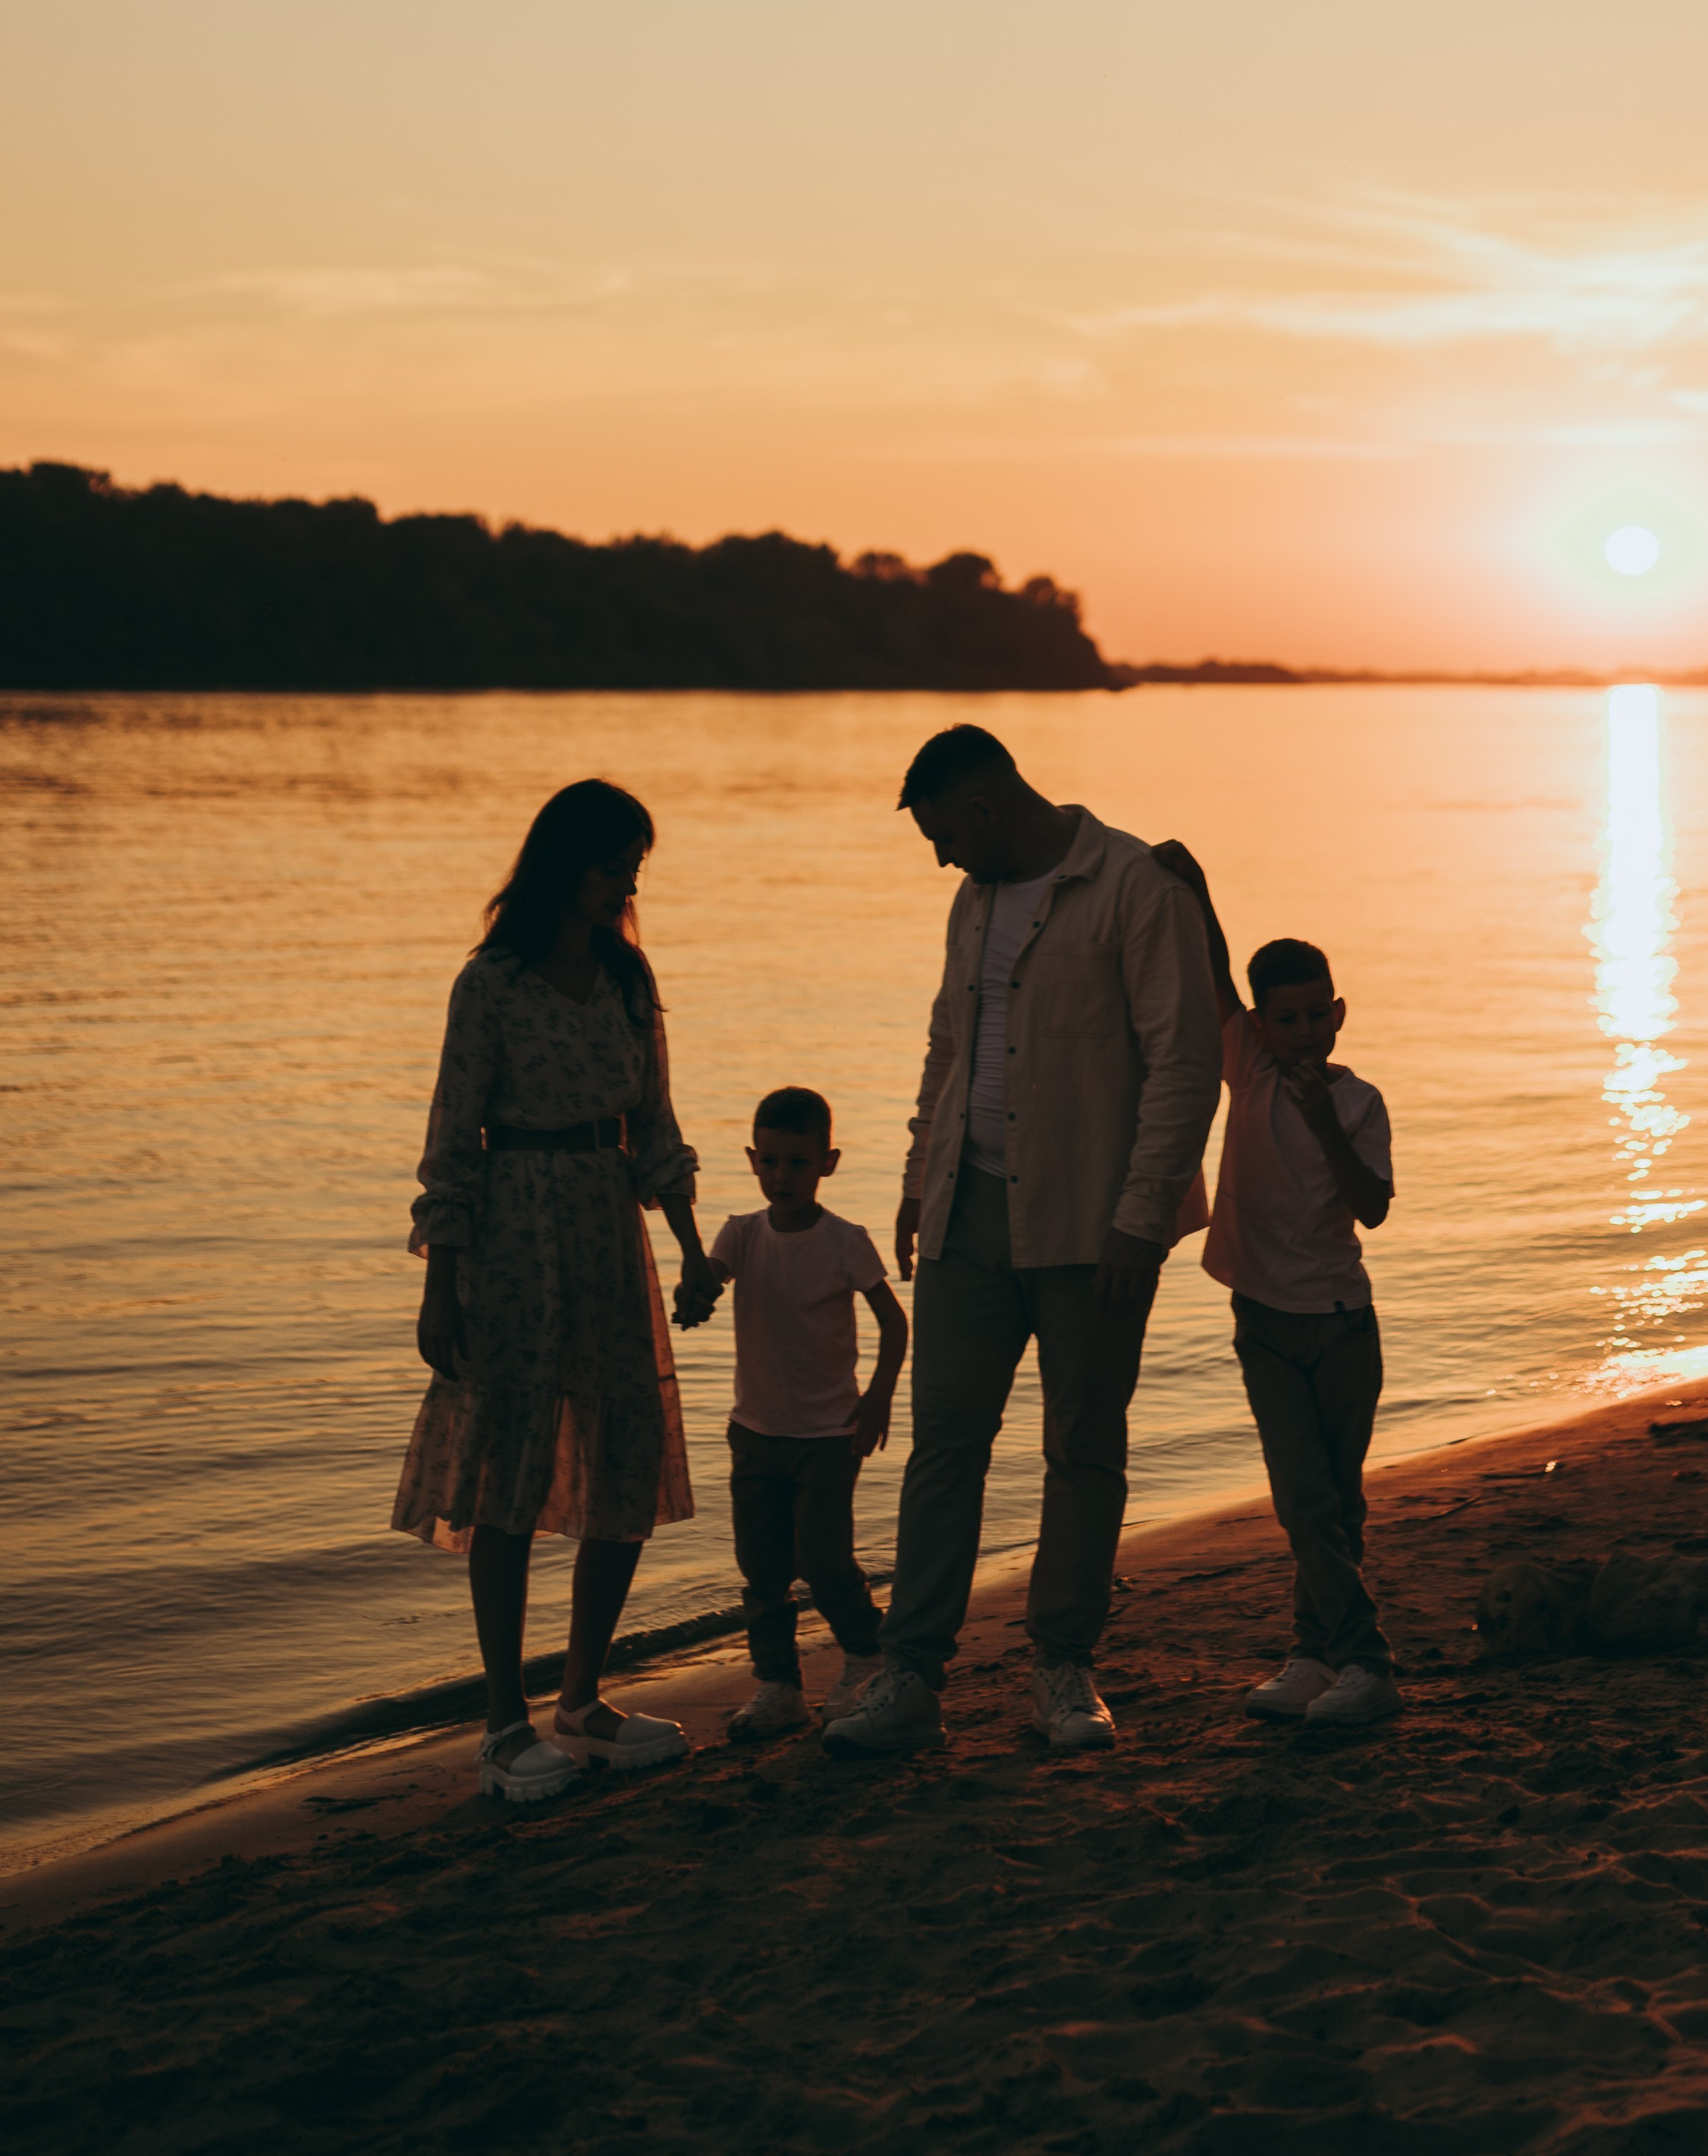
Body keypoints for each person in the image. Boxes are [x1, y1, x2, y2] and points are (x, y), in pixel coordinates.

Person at [824, 725, 1222, 1759]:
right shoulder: (973, 901)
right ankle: (911, 1677)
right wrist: (921, 1182)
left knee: (1083, 1450)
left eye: (947, 833)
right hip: (968, 1215)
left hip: (1097, 1225)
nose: (941, 858)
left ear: (989, 808)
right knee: (944, 1447)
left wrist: (1144, 1217)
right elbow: (946, 1047)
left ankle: (1063, 1666)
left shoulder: (1137, 887)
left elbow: (1185, 1064)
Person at [393, 779, 723, 1805]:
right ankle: (503, 1723)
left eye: (637, 860)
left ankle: (582, 1699)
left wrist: (693, 1252)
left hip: (607, 1231)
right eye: (616, 858)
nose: (629, 878)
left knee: (624, 1458)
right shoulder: (489, 984)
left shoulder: (628, 980)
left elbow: (657, 1130)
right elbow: (452, 1139)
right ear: (566, 864)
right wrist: (441, 1284)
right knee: (511, 1470)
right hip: (515, 1231)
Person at [1154, 841, 1401, 1729]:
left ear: (1336, 1015)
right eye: (1282, 1019)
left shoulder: (1358, 1098)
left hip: (1341, 1326)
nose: (1299, 1033)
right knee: (1303, 1499)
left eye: (1312, 1018)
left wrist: (1323, 1118)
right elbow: (1215, 976)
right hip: (1264, 1320)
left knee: (1335, 1503)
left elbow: (1371, 1205)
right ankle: (1347, 1659)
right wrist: (1197, 887)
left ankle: (1329, 1654)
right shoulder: (1247, 1069)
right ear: (1261, 1026)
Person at [689, 1086, 908, 1741]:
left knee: (824, 1559)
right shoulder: (742, 1234)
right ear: (754, 1161)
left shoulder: (845, 1241)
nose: (783, 1176)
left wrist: (878, 1396)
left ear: (828, 1163)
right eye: (773, 1162)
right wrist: (691, 1287)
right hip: (755, 1432)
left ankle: (867, 1656)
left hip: (827, 1434)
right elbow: (710, 1277)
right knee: (762, 1569)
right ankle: (778, 1686)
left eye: (799, 1163)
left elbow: (894, 1325)